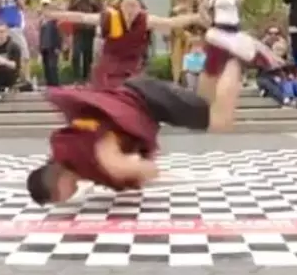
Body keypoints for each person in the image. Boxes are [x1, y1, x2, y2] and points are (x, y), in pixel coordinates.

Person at [25, 29, 257, 206]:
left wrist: (133, 168)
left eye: (58, 199)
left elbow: (141, 169)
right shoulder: (64, 153)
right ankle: (217, 52)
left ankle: (236, 56)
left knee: (220, 120)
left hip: (148, 100)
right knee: (206, 102)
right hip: (140, 96)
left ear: (58, 185)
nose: (64, 202)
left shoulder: (88, 154)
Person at [39, 0, 207, 88]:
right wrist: (53, 14)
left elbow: (171, 22)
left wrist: (195, 18)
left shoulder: (144, 20)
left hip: (132, 71)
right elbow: (82, 17)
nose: (130, 10)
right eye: (127, 6)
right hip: (108, 71)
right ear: (121, 6)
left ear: (140, 7)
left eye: (134, 6)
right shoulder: (110, 18)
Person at [67, 0, 102, 84]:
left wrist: (93, 3)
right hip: (78, 30)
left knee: (88, 55)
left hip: (89, 30)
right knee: (76, 54)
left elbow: (100, 12)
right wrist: (76, 1)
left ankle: (86, 78)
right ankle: (76, 78)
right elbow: (69, 10)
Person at [38, 0, 63, 87]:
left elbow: (59, 33)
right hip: (44, 47)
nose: (45, 7)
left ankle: (55, 86)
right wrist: (40, 49)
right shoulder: (42, 20)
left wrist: (58, 46)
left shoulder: (55, 19)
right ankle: (49, 86)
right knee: (47, 68)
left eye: (47, 5)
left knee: (53, 67)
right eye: (43, 5)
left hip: (53, 46)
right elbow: (41, 35)